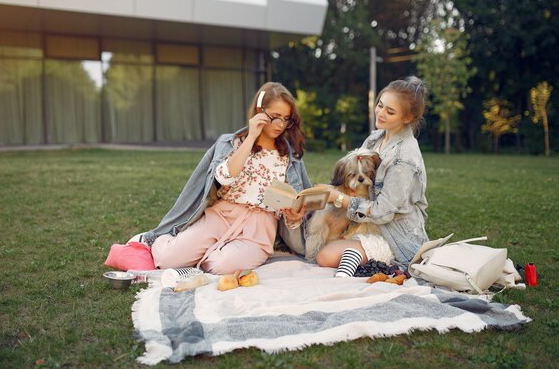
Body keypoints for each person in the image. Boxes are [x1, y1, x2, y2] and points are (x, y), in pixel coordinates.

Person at [132, 82, 312, 275]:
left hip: (259, 229)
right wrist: (251, 137)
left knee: (223, 265)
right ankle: (156, 241)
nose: (280, 125)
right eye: (274, 117)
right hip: (220, 216)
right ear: (259, 111)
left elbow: (295, 202)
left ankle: (208, 255)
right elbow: (224, 177)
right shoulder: (231, 142)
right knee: (167, 259)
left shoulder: (289, 156)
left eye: (286, 119)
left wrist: (295, 216)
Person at [315, 76, 430, 277]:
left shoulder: (404, 158)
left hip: (393, 233)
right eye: (380, 105)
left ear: (408, 118)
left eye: (390, 111)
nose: (381, 113)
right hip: (365, 221)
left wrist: (339, 199)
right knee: (319, 239)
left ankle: (382, 264)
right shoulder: (376, 137)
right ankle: (360, 258)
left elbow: (383, 212)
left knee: (326, 257)